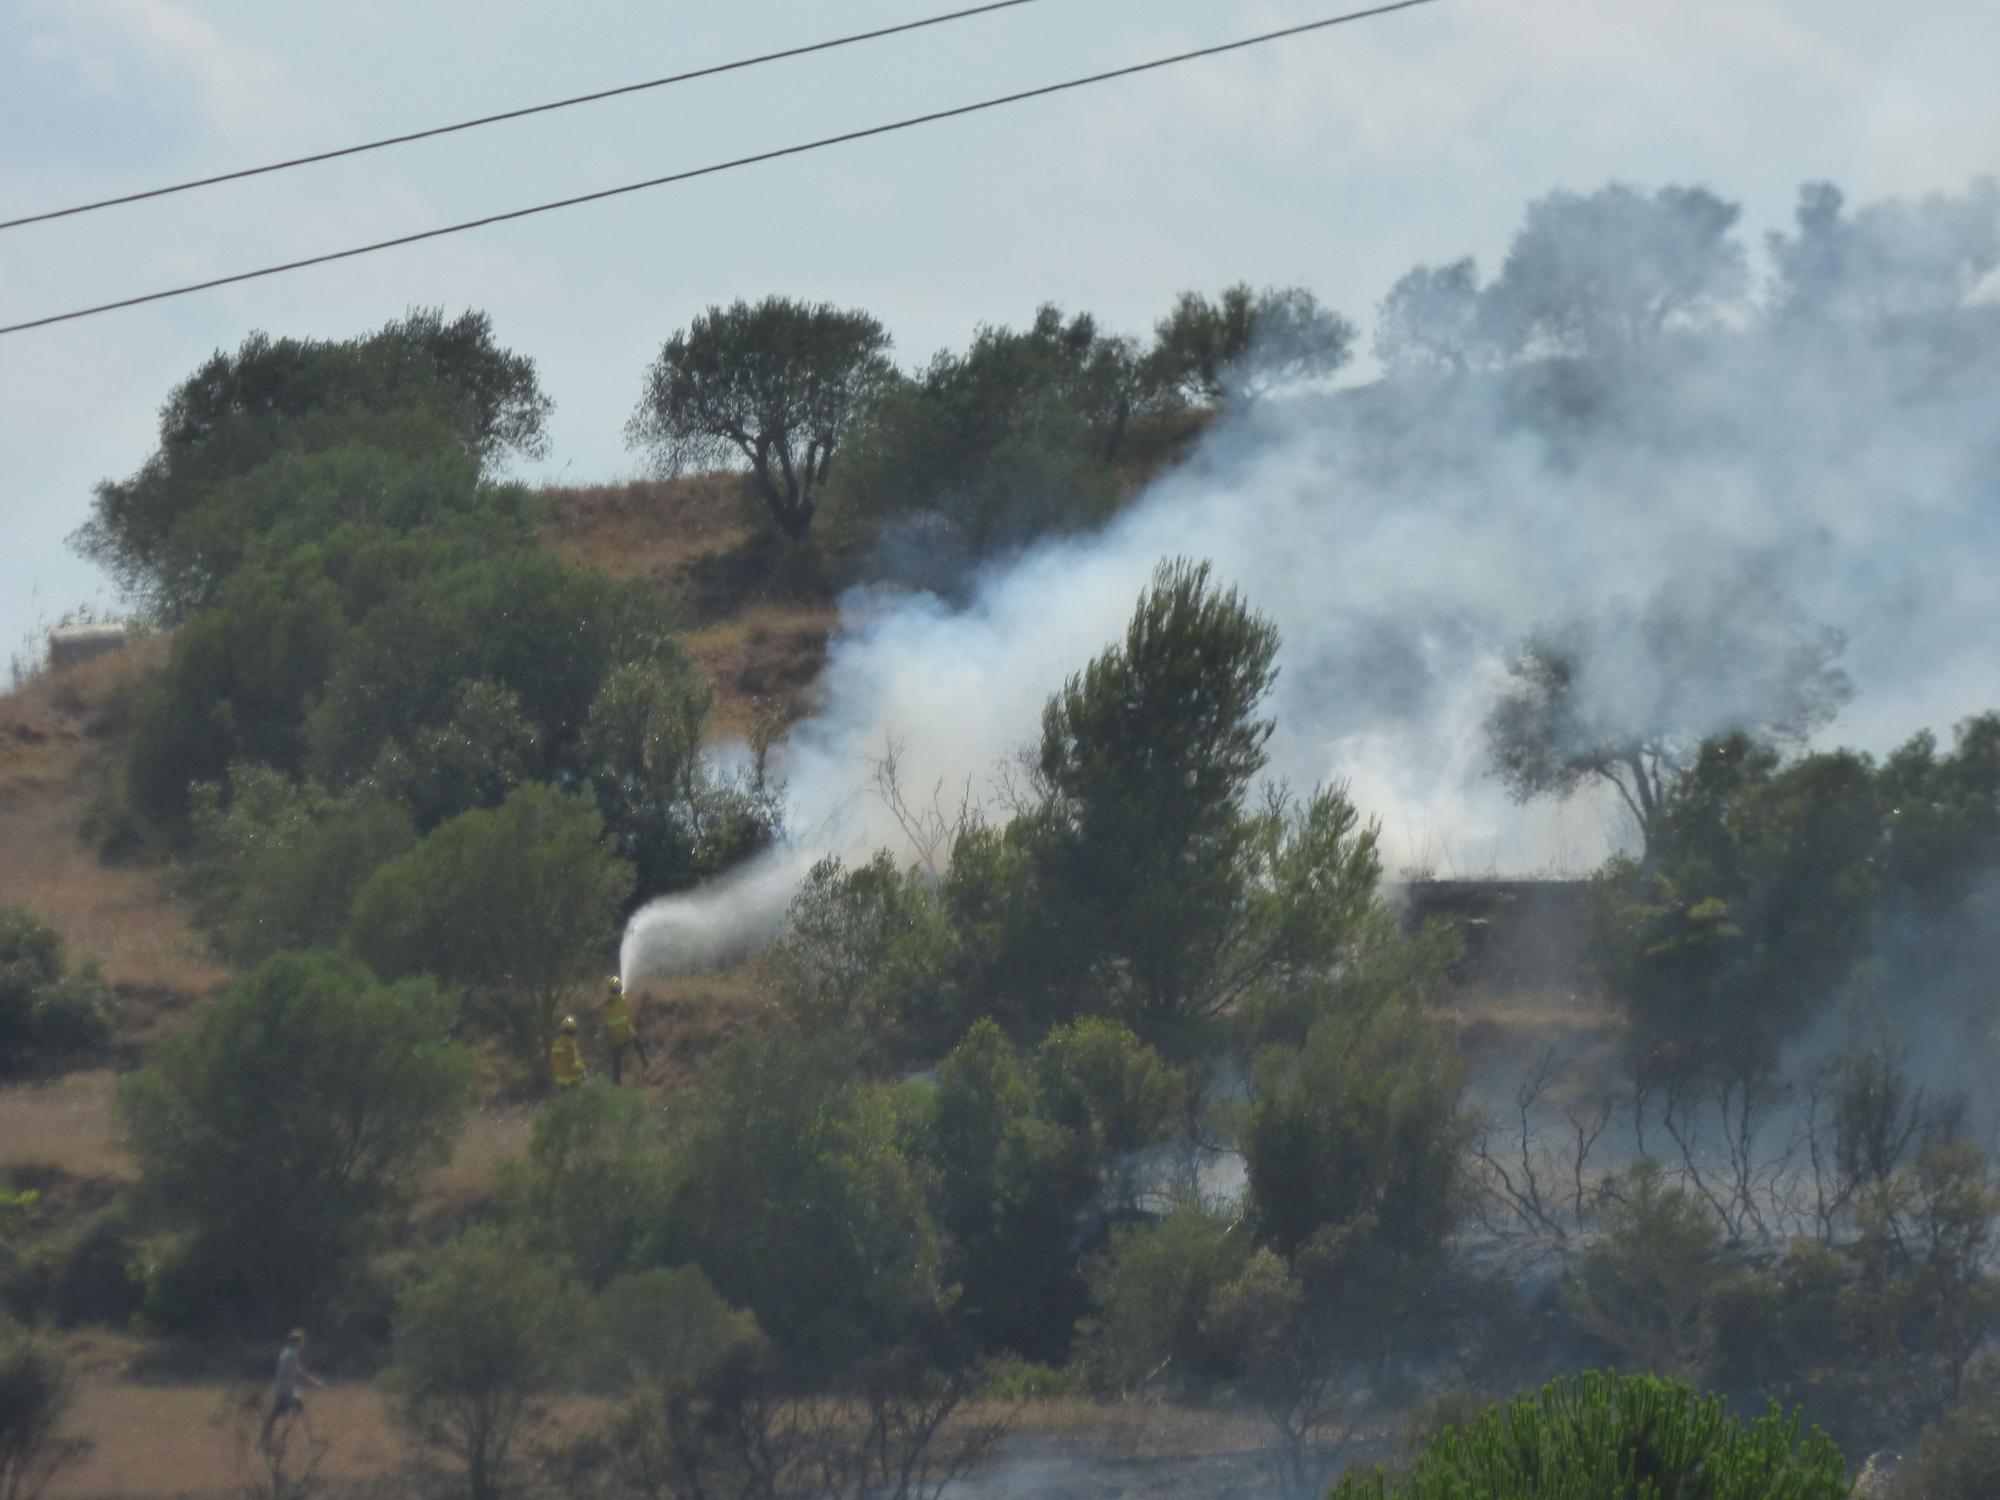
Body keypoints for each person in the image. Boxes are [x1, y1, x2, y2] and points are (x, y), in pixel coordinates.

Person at [260, 1328, 324, 1449]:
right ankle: (313, 1441)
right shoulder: (293, 1354)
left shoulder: (285, 1353)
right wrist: (316, 1383)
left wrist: (311, 1380)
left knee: (276, 1414)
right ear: (298, 1342)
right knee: (303, 1410)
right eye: (301, 1342)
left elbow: (296, 1372)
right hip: (288, 1391)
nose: (302, 1345)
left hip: (281, 1389)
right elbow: (298, 1375)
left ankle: (265, 1438)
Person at [602, 975, 651, 1085]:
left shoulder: (607, 1005)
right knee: (637, 1044)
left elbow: (607, 1022)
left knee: (617, 1061)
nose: (616, 992)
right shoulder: (623, 1001)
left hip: (616, 1038)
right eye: (616, 990)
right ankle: (645, 1062)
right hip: (625, 1034)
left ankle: (616, 1082)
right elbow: (629, 1017)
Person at [551, 1015, 586, 1090]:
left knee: (564, 1099)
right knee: (575, 1098)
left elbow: (553, 1059)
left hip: (560, 1077)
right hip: (571, 1076)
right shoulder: (570, 1043)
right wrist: (583, 1072)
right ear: (573, 1030)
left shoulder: (557, 1042)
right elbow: (575, 1059)